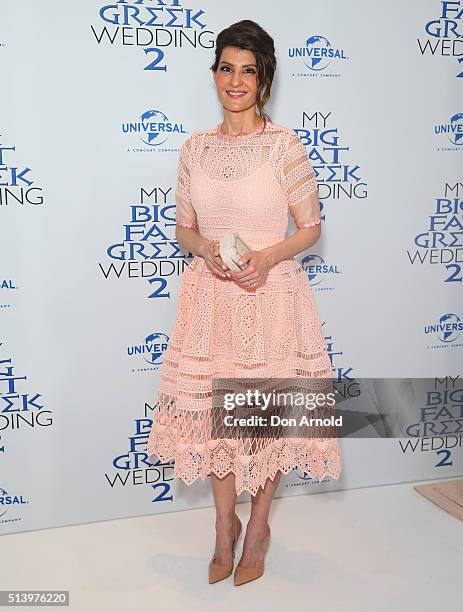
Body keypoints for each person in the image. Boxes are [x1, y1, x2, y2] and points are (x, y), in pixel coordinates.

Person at [146, 19, 343, 586]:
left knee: (265, 416)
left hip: (271, 293)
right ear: (214, 75)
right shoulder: (195, 149)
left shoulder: (285, 147)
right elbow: (184, 228)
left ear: (264, 81)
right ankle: (222, 526)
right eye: (227, 68)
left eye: (248, 70)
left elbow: (310, 228)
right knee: (216, 421)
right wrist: (206, 247)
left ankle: (258, 527)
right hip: (211, 298)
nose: (236, 80)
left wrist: (268, 255)